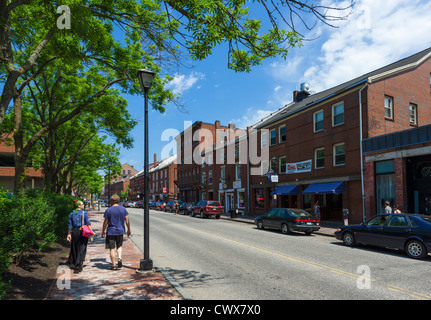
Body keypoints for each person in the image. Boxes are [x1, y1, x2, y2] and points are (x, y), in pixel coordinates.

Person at [101, 194, 131, 270]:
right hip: (120, 231)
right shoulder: (123, 209)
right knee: (119, 245)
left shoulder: (108, 210)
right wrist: (129, 229)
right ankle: (120, 258)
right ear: (118, 201)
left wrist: (103, 231)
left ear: (111, 201)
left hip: (111, 231)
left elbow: (105, 222)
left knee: (112, 248)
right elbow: (127, 220)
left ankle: (113, 265)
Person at [67, 199, 92, 272]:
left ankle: (76, 262)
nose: (84, 205)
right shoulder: (84, 213)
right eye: (82, 204)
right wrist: (91, 233)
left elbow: (69, 225)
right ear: (79, 205)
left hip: (74, 232)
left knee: (75, 246)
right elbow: (88, 223)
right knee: (83, 246)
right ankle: (80, 262)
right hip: (83, 231)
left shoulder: (71, 213)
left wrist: (69, 234)